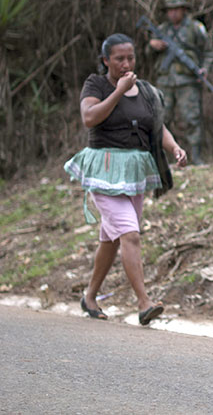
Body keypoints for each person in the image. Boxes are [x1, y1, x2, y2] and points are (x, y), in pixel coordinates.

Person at [64, 33, 188, 325]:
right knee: (130, 234)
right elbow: (90, 117)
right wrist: (118, 91)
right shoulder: (96, 84)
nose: (126, 63)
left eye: (130, 57)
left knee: (112, 239)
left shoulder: (145, 90)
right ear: (106, 60)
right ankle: (144, 303)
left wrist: (175, 148)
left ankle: (90, 296)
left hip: (134, 173)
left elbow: (157, 126)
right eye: (119, 58)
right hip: (104, 170)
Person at [146, 0, 213, 165]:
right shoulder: (161, 30)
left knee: (192, 118)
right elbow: (147, 56)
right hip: (165, 81)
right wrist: (152, 46)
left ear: (184, 10)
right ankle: (164, 159)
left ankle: (196, 158)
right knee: (162, 119)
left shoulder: (195, 28)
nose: (174, 14)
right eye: (170, 10)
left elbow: (209, 52)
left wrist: (204, 69)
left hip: (188, 81)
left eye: (177, 9)